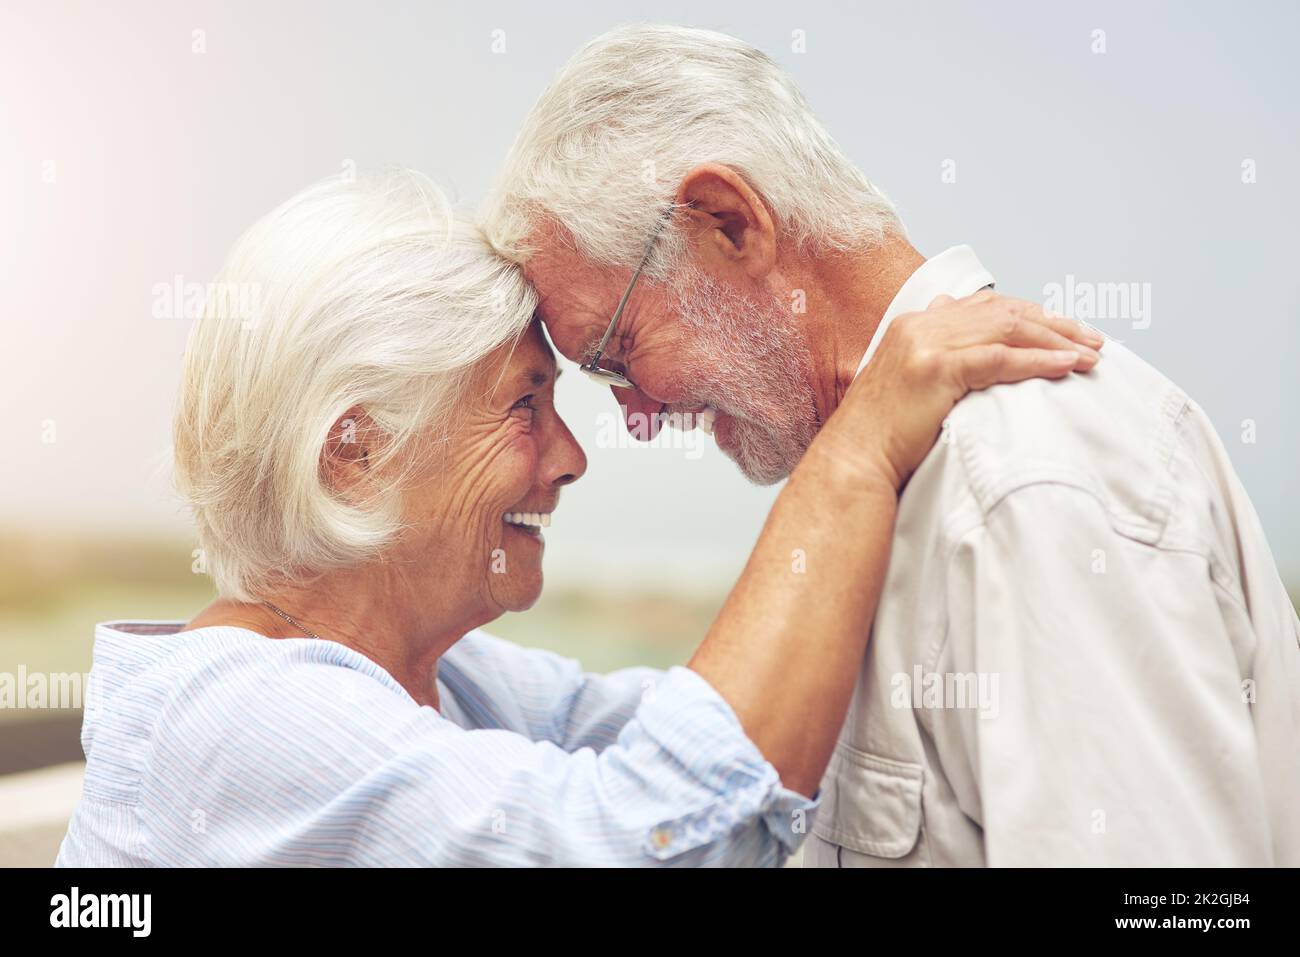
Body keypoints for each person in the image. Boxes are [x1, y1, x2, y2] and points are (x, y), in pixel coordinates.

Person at [54, 169, 1094, 867]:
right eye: (522, 407)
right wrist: (854, 455)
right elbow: (660, 839)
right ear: (355, 450)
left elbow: (723, 737)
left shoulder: (449, 684)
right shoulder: (238, 722)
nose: (571, 457)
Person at [480, 23, 1300, 866]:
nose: (640, 416)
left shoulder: (1017, 480)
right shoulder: (896, 485)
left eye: (618, 354)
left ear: (728, 223)